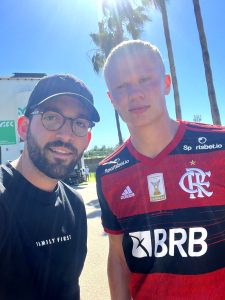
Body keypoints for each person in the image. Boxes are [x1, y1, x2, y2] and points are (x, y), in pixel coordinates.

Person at [96, 39, 225, 299]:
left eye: (145, 79)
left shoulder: (219, 146)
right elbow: (118, 258)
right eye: (122, 86)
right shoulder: (108, 171)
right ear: (111, 99)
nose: (135, 94)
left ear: (166, 83)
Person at [0, 74, 100, 300]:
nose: (66, 135)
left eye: (80, 124)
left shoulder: (75, 204)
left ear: (87, 139)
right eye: (52, 118)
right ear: (24, 128)